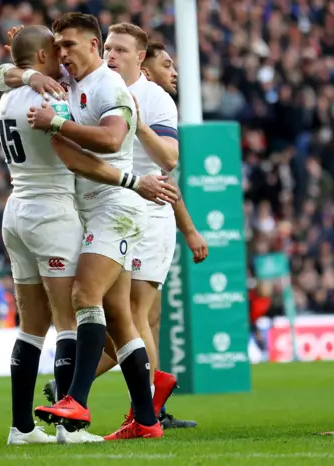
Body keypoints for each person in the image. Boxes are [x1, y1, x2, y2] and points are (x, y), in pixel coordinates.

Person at [0, 13, 169, 440]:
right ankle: (147, 417)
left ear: (94, 45)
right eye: (58, 47)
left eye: (69, 46)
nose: (64, 54)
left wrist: (55, 121)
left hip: (117, 206)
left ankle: (76, 401)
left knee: (83, 294)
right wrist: (31, 72)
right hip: (82, 207)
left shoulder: (109, 85)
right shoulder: (66, 84)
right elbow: (1, 73)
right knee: (120, 318)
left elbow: (109, 142)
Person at [43, 30, 207, 432]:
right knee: (134, 317)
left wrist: (135, 120)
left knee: (129, 312)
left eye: (121, 50)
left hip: (142, 211)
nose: (113, 55)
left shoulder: (152, 98)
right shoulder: (92, 87)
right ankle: (149, 403)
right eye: (110, 47)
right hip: (104, 203)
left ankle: (140, 407)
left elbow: (167, 161)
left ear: (140, 58)